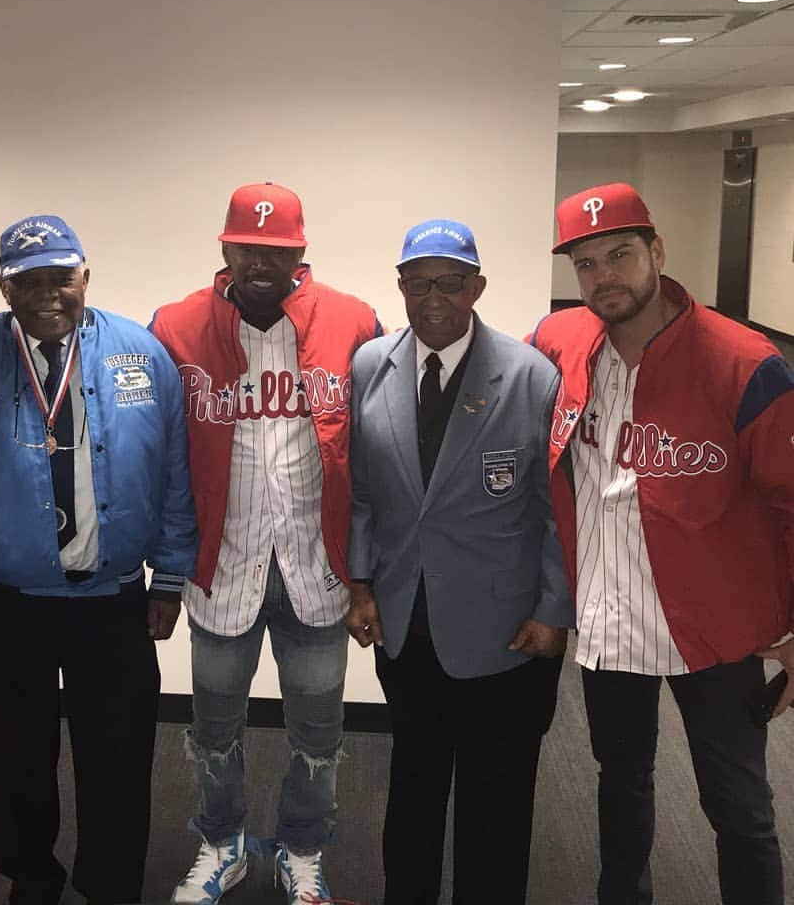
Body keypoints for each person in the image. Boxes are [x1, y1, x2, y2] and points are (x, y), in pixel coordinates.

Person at [530, 181, 794, 905]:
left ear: (657, 251)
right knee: (621, 779)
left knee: (737, 805)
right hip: (609, 617)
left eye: (619, 254)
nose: (603, 276)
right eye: (586, 264)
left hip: (714, 624)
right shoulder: (560, 344)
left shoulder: (746, 364)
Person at [0, 214, 198, 905]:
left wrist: (168, 576)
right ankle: (31, 873)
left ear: (86, 277)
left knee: (119, 756)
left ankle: (110, 883)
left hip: (111, 601)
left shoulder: (141, 354)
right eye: (28, 282)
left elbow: (174, 471)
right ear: (3, 287)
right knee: (14, 757)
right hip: (6, 600)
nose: (49, 293)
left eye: (62, 278)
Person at [150, 183, 381, 905]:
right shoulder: (176, 326)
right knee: (215, 725)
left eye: (275, 249)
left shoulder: (352, 322)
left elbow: (374, 454)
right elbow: (160, 454)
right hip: (224, 568)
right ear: (224, 247)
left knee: (318, 729)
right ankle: (221, 843)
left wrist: (369, 573)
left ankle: (303, 847)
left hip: (318, 569)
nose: (259, 261)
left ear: (300, 252)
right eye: (246, 246)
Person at [346, 219, 571, 905]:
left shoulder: (532, 376)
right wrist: (359, 584)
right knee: (412, 783)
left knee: (496, 800)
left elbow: (558, 506)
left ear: (477, 286)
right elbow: (359, 490)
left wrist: (553, 608)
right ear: (400, 288)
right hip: (406, 621)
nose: (433, 296)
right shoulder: (368, 366)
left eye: (449, 281)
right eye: (417, 282)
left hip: (505, 627)